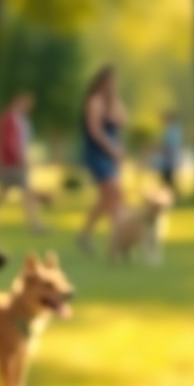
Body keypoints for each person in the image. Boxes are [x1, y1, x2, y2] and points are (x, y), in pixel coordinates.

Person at [77, 65, 127, 256]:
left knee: (108, 198)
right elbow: (95, 131)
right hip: (98, 154)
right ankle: (119, 238)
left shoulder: (110, 103)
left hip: (110, 154)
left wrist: (115, 101)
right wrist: (113, 150)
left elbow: (123, 119)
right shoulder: (95, 102)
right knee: (113, 193)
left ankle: (85, 233)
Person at [0, 91, 46, 235]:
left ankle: (34, 224)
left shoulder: (22, 119)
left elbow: (23, 141)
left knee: (8, 193)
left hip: (16, 162)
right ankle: (34, 225)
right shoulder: (9, 118)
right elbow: (9, 141)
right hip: (12, 163)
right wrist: (19, 159)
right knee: (14, 193)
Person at [157, 111, 183, 193]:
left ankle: (170, 196)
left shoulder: (172, 131)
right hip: (169, 160)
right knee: (168, 180)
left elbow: (169, 146)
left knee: (168, 180)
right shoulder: (171, 130)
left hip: (170, 160)